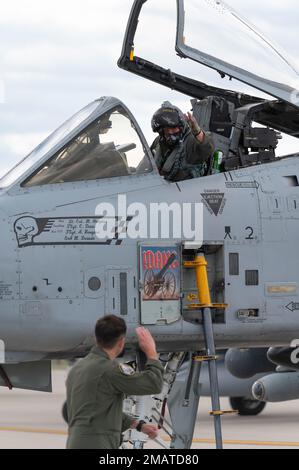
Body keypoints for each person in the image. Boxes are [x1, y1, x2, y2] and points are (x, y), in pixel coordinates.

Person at [66, 315, 164, 449]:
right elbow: (154, 383)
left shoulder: (77, 368)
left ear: (96, 338)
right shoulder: (110, 370)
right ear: (121, 342)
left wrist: (140, 426)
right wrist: (151, 352)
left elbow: (97, 409)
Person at [151, 101, 215, 182]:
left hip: (186, 191)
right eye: (167, 128)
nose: (170, 132)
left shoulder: (191, 141)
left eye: (173, 127)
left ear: (181, 126)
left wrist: (197, 132)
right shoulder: (159, 141)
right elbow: (146, 164)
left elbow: (207, 148)